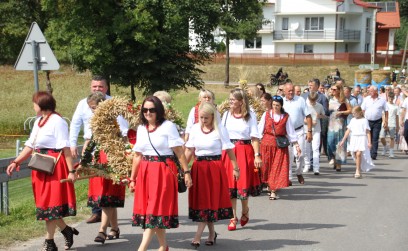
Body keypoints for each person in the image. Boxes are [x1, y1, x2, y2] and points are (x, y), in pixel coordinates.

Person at [7, 91, 78, 251]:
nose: (33, 106)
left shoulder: (58, 121)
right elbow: (30, 145)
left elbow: (65, 149)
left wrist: (71, 170)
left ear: (42, 104)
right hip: (40, 167)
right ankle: (66, 231)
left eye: (34, 103)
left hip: (54, 167)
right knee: (46, 206)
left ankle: (49, 242)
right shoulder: (39, 121)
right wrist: (16, 161)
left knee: (51, 206)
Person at [129, 96, 192, 251]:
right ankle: (163, 246)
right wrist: (132, 178)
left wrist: (186, 172)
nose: (148, 113)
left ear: (159, 110)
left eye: (151, 110)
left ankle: (141, 249)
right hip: (145, 171)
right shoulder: (142, 128)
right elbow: (137, 155)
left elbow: (179, 151)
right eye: (145, 110)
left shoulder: (168, 126)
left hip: (163, 171)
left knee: (154, 210)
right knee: (152, 211)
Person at [69, 75, 128, 224]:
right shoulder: (83, 103)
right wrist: (73, 143)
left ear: (106, 88)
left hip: (109, 146)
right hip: (91, 145)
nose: (97, 89)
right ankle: (97, 212)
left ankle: (106, 217)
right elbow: (75, 124)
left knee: (108, 181)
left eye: (100, 86)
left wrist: (123, 148)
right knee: (95, 180)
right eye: (95, 86)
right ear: (91, 87)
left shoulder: (112, 103)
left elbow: (123, 127)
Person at [185, 102, 239, 248]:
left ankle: (197, 236)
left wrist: (235, 168)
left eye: (206, 118)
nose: (203, 121)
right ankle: (211, 233)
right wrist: (184, 169)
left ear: (213, 117)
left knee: (209, 203)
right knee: (204, 202)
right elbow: (189, 150)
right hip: (199, 169)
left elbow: (229, 150)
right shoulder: (195, 129)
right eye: (201, 118)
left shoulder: (220, 129)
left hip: (215, 169)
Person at [77, 92, 126, 244]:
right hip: (99, 158)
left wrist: (123, 157)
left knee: (108, 197)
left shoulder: (113, 119)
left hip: (112, 158)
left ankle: (102, 230)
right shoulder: (96, 121)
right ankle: (115, 228)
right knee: (107, 197)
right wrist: (83, 159)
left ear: (102, 105)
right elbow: (90, 140)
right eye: (91, 108)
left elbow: (123, 137)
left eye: (94, 107)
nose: (93, 111)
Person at [221, 88, 262, 231]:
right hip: (228, 152)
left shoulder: (250, 116)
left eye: (233, 99)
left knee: (242, 185)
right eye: (230, 99)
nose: (230, 101)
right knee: (230, 186)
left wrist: (257, 155)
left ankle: (245, 210)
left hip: (244, 152)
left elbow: (255, 137)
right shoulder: (226, 115)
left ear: (241, 101)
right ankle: (233, 217)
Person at [258, 95, 301, 200]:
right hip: (266, 145)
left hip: (280, 146)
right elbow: (260, 129)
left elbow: (290, 132)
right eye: (273, 105)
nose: (275, 107)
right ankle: (269, 184)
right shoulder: (266, 114)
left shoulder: (285, 117)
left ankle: (273, 190)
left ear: (281, 106)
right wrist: (256, 143)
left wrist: (296, 144)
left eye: (277, 105)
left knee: (277, 168)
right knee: (266, 167)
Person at [283, 83, 312, 185]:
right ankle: (289, 178)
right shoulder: (281, 102)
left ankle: (299, 172)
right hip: (286, 133)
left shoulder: (300, 100)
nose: (291, 92)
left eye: (292, 90)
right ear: (284, 91)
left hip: (299, 131)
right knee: (289, 156)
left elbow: (308, 116)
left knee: (300, 154)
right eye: (289, 91)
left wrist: (309, 131)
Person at [339, 106, 374, 178]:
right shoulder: (352, 120)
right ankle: (358, 167)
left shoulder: (364, 120)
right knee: (355, 154)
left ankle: (357, 170)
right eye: (352, 113)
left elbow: (367, 131)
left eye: (354, 113)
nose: (353, 115)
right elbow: (348, 131)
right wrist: (343, 140)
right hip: (354, 138)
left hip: (362, 138)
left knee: (358, 154)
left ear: (359, 113)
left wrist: (369, 142)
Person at [327, 83, 352, 171]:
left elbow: (350, 110)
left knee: (339, 144)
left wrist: (341, 112)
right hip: (331, 124)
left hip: (340, 124)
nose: (332, 91)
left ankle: (338, 163)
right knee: (330, 142)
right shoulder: (329, 99)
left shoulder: (344, 100)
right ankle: (333, 157)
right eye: (332, 89)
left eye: (334, 89)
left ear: (339, 90)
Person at [361, 85, 388, 160]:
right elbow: (362, 110)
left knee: (375, 137)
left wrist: (386, 121)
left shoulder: (382, 100)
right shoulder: (366, 99)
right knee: (368, 137)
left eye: (371, 91)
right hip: (367, 121)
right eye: (369, 91)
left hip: (377, 121)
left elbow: (386, 110)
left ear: (376, 91)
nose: (369, 92)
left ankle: (373, 154)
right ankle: (368, 152)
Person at [303, 92, 325, 175]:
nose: (312, 103)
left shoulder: (319, 106)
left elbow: (324, 115)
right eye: (311, 101)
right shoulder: (305, 105)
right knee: (306, 148)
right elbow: (302, 118)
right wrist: (310, 122)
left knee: (315, 149)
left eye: (314, 101)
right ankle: (307, 165)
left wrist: (319, 116)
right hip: (306, 129)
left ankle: (316, 167)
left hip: (316, 130)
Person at [380, 92, 399, 158]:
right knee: (381, 137)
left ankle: (391, 152)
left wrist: (397, 126)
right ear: (388, 97)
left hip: (392, 123)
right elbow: (383, 115)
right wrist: (384, 122)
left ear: (394, 98)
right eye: (390, 97)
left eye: (392, 97)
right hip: (385, 123)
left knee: (392, 138)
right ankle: (385, 146)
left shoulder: (396, 106)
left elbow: (397, 116)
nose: (391, 99)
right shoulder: (385, 105)